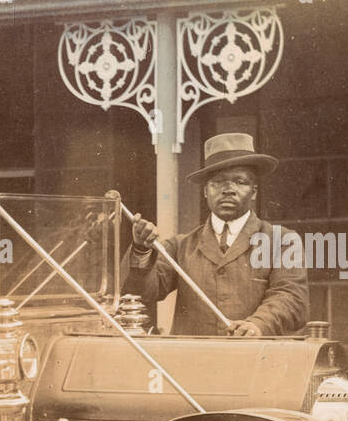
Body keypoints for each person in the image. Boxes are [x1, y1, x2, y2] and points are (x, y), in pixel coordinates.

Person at [125, 132, 307, 336]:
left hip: (256, 361)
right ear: (205, 191)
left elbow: (292, 298)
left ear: (254, 191)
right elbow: (141, 293)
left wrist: (258, 325)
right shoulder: (180, 247)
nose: (228, 189)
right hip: (194, 364)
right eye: (218, 182)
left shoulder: (282, 241)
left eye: (240, 181)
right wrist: (141, 250)